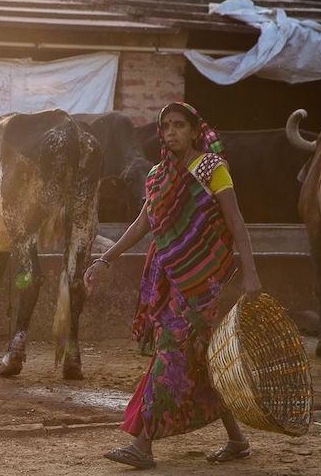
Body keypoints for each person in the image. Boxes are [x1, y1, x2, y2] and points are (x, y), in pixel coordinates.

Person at [83, 102, 263, 470]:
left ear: (196, 131)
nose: (171, 133)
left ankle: (142, 445)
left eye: (179, 125)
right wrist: (105, 259)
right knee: (200, 361)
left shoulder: (214, 170)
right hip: (170, 284)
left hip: (203, 283)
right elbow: (140, 225)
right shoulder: (159, 175)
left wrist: (251, 274)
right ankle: (237, 439)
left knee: (172, 355)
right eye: (166, 126)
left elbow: (236, 222)